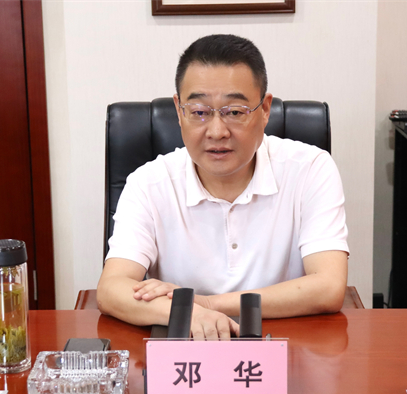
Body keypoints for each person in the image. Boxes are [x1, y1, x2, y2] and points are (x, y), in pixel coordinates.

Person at [96, 34, 349, 340]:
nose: (217, 132)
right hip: (187, 354)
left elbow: (329, 287)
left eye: (235, 112)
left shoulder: (310, 169)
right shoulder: (149, 183)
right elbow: (111, 289)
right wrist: (188, 314)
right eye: (199, 112)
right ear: (179, 111)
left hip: (287, 348)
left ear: (265, 110)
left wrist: (205, 305)